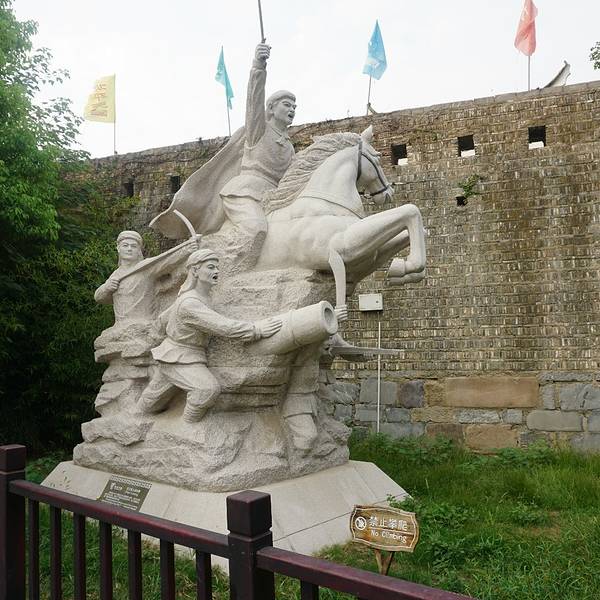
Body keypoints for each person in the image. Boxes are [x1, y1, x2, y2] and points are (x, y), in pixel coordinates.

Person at [137, 249, 282, 422]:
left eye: (217, 268)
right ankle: (188, 425)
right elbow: (223, 327)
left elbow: (162, 319)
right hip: (179, 358)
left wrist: (158, 332)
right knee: (206, 390)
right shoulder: (190, 303)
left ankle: (136, 416)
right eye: (211, 267)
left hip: (182, 356)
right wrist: (256, 330)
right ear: (195, 270)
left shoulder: (197, 297)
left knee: (150, 403)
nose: (216, 271)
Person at [218, 43, 296, 264]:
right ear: (271, 108)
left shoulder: (290, 148)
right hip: (245, 193)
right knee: (256, 228)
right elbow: (254, 99)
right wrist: (258, 66)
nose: (292, 109)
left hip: (272, 199)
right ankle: (229, 268)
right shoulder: (258, 130)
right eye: (287, 105)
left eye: (294, 107)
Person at [94, 230, 199, 323]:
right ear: (118, 248)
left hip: (144, 324)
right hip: (120, 325)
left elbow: (167, 259)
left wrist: (188, 249)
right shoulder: (116, 274)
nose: (129, 249)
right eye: (125, 245)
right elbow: (98, 297)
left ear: (139, 250)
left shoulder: (145, 268)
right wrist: (107, 287)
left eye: (133, 246)